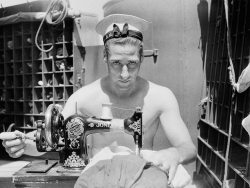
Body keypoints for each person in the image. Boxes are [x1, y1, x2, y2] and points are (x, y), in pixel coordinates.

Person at [0, 14, 196, 186]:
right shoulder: (83, 99)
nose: (125, 74)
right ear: (105, 57)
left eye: (133, 64)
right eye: (116, 63)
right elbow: (53, 139)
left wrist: (173, 154)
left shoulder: (161, 96)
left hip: (141, 179)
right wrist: (23, 144)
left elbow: (187, 148)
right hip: (97, 180)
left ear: (141, 59)